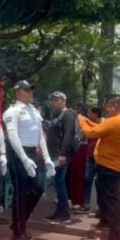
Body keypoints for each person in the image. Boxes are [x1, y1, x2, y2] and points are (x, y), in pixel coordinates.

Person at [78, 95, 120, 240]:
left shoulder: (115, 121)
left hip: (110, 167)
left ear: (115, 106)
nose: (107, 110)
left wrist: (82, 121)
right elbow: (99, 127)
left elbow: (92, 133)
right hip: (117, 165)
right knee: (103, 194)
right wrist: (87, 120)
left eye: (109, 107)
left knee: (112, 201)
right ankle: (104, 220)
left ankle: (115, 237)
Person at [3, 80, 55, 240]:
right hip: (19, 154)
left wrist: (47, 159)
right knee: (21, 193)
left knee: (38, 188)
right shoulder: (13, 111)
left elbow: (40, 136)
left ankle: (19, 222)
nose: (31, 93)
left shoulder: (34, 111)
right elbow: (12, 136)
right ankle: (19, 231)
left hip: (34, 153)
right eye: (27, 90)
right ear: (18, 93)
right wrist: (24, 158)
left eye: (31, 90)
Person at [44, 91, 77, 224]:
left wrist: (63, 154)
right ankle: (60, 212)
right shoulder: (56, 114)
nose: (54, 102)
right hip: (54, 153)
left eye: (57, 99)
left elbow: (68, 134)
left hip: (60, 154)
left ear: (64, 100)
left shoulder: (67, 114)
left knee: (59, 182)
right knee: (58, 182)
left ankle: (64, 214)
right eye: (52, 100)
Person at [74, 106, 103, 215]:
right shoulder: (88, 123)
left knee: (99, 182)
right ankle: (85, 203)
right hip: (90, 156)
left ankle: (100, 207)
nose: (88, 114)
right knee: (87, 179)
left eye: (90, 112)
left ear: (96, 114)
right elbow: (83, 137)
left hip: (100, 156)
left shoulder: (103, 123)